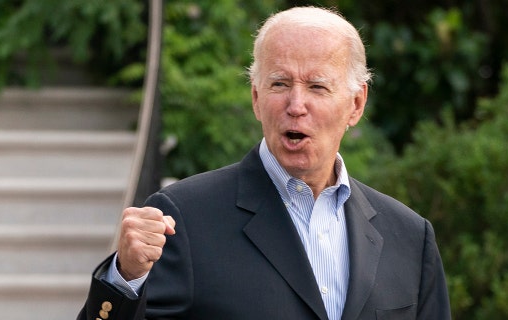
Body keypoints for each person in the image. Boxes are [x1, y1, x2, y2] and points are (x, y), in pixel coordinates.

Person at [77, 6, 451, 320]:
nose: (296, 105)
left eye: (317, 86)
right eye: (279, 84)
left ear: (356, 104)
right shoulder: (182, 220)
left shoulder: (410, 238)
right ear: (256, 98)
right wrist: (126, 277)